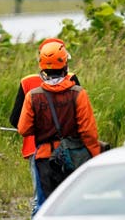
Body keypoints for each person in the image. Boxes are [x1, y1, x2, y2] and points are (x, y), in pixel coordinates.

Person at [17, 41, 102, 200]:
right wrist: (96, 157)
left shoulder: (33, 96)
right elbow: (88, 133)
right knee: (75, 201)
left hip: (44, 159)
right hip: (73, 157)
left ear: (42, 67)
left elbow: (23, 129)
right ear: (65, 65)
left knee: (46, 205)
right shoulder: (78, 94)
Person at [9, 38, 80, 215]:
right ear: (64, 60)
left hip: (36, 149)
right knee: (68, 195)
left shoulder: (27, 83)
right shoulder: (72, 80)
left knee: (40, 200)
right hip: (67, 147)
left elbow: (15, 120)